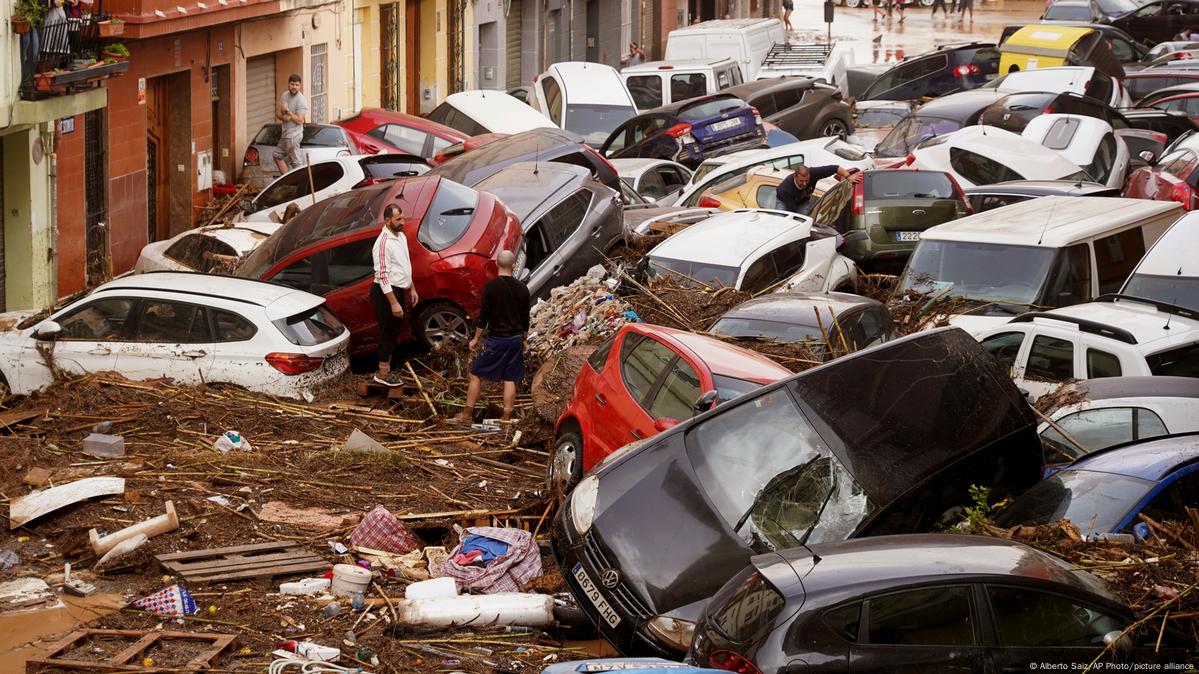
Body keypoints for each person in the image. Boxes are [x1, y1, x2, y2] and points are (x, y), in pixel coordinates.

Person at [451, 250, 531, 425]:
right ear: (514, 265)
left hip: (497, 340)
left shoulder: (491, 287)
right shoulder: (523, 289)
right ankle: (506, 418)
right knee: (510, 379)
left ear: (496, 264)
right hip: (515, 339)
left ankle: (466, 414)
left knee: (475, 374)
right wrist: (524, 339)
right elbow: (525, 318)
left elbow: (484, 317)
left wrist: (475, 338)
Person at [370, 204, 419, 387]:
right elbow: (382, 275)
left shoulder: (401, 237)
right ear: (388, 220)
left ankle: (387, 368)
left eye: (403, 218)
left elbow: (405, 265)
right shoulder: (382, 244)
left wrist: (411, 287)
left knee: (396, 329)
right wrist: (393, 303)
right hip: (386, 293)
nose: (402, 222)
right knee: (388, 332)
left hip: (399, 289)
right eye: (398, 219)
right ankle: (382, 373)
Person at [775, 165, 863, 216]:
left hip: (803, 201)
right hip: (784, 202)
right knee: (784, 223)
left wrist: (848, 177)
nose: (805, 184)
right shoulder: (786, 189)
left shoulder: (814, 173)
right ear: (795, 176)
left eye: (807, 180)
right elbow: (792, 213)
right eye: (801, 181)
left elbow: (836, 168)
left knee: (802, 222)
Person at [274, 74, 308, 174]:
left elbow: (300, 120)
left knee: (296, 164)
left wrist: (288, 111)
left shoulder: (301, 100)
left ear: (300, 86)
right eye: (292, 84)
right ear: (288, 84)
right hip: (285, 134)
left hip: (294, 135)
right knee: (277, 156)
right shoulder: (285, 95)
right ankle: (287, 182)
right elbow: (278, 113)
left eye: (296, 85)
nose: (294, 87)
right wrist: (283, 117)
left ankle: (301, 186)